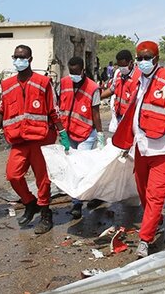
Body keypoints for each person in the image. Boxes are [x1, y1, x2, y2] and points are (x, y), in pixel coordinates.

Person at [112, 41, 165, 258]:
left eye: (146, 58)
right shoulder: (139, 80)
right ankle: (155, 220)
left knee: (156, 196)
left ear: (156, 59)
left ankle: (145, 240)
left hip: (163, 149)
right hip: (141, 148)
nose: (142, 62)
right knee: (144, 194)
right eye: (139, 58)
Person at [0, 45, 68, 234]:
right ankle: (30, 202)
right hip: (18, 139)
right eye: (15, 57)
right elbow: (1, 109)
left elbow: (53, 110)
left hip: (41, 137)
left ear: (30, 59)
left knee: (43, 179)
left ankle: (46, 213)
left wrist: (62, 133)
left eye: (22, 57)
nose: (18, 60)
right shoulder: (7, 85)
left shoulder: (43, 82)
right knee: (13, 175)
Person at [59, 56, 105, 219]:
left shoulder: (93, 88)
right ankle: (78, 201)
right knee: (72, 167)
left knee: (80, 168)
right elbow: (60, 105)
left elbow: (96, 113)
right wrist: (60, 130)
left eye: (76, 72)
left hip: (86, 133)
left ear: (83, 70)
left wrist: (100, 134)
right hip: (69, 132)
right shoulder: (64, 82)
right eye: (71, 72)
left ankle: (77, 203)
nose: (73, 75)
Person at [100, 49, 140, 129]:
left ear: (131, 63)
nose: (121, 68)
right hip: (119, 114)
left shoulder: (139, 76)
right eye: (119, 65)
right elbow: (112, 89)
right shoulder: (118, 73)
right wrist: (98, 97)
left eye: (123, 66)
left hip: (131, 117)